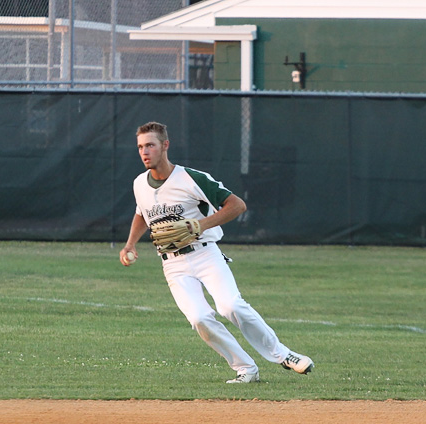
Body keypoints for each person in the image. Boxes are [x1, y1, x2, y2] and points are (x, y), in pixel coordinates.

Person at [119, 121, 314, 384]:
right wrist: (130, 243)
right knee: (199, 318)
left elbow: (237, 205)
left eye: (150, 145)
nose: (145, 152)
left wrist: (199, 224)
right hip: (173, 265)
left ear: (165, 146)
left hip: (205, 254)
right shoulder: (140, 184)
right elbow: (141, 213)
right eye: (141, 146)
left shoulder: (191, 178)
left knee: (230, 305)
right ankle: (246, 368)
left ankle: (283, 354)